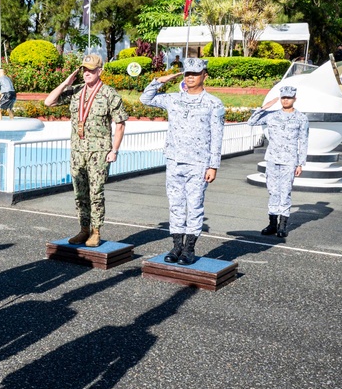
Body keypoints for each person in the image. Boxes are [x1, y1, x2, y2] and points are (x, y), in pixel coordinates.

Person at [139, 57, 225, 265]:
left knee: (194, 205)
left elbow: (217, 136)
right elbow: (146, 99)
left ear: (204, 75)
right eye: (187, 74)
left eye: (195, 74)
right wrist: (160, 80)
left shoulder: (213, 103)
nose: (190, 77)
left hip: (198, 163)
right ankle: (177, 246)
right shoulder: (174, 98)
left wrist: (213, 165)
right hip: (174, 160)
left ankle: (190, 248)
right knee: (175, 205)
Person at [44, 53, 127, 247]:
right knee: (79, 192)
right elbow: (49, 102)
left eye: (91, 70)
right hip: (78, 151)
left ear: (100, 71)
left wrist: (114, 150)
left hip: (99, 152)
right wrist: (66, 82)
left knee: (95, 192)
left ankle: (96, 231)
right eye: (84, 69)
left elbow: (120, 124)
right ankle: (83, 229)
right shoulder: (76, 91)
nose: (87, 73)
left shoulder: (109, 93)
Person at [248, 86, 308, 238]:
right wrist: (264, 107)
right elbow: (251, 122)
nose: (285, 100)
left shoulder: (301, 118)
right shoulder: (271, 115)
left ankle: (283, 225)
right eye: (283, 97)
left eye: (288, 97)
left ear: (294, 99)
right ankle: (272, 223)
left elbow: (304, 141)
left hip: (289, 160)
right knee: (273, 191)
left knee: (285, 191)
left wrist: (300, 163)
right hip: (273, 158)